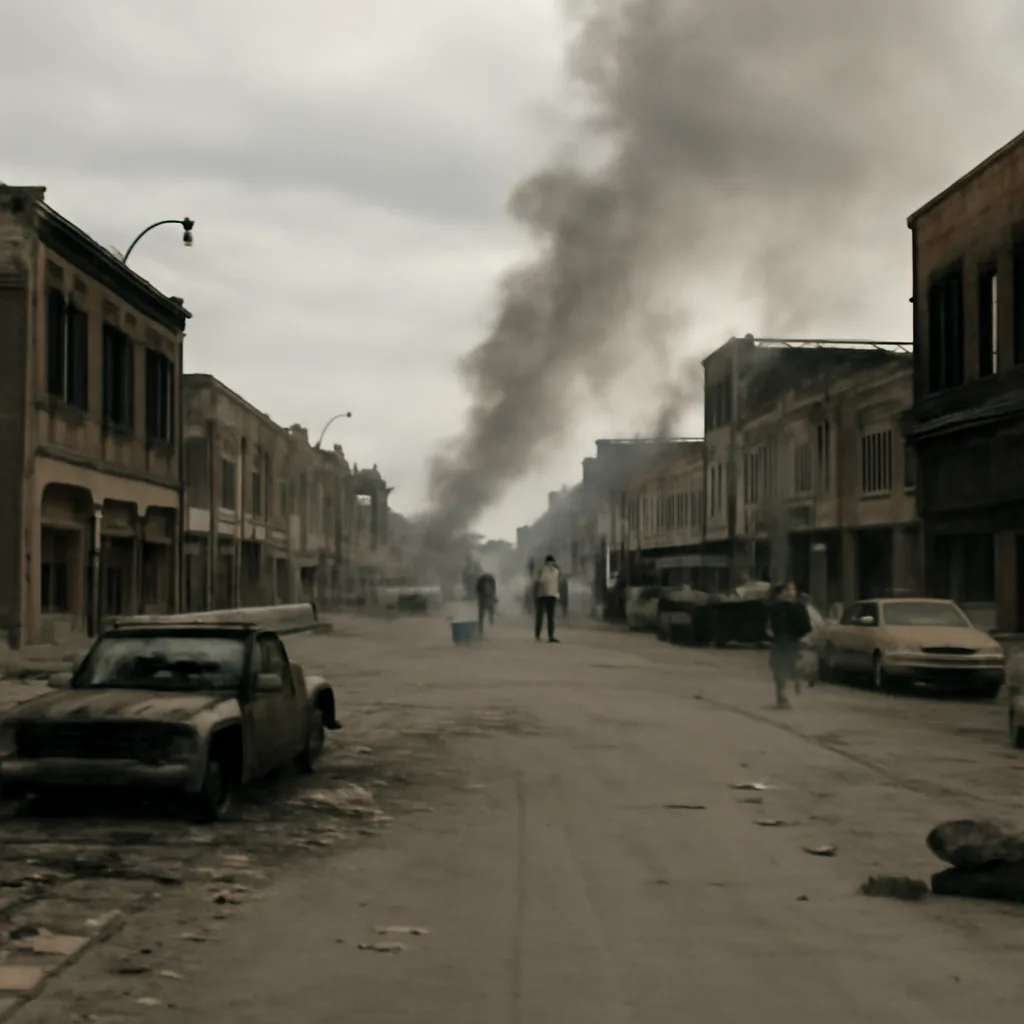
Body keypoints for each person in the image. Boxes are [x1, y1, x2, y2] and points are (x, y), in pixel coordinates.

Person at [766, 580, 812, 709]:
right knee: (780, 669)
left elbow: (806, 627)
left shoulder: (796, 608)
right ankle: (782, 695)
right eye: (788, 589)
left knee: (782, 669)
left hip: (787, 643)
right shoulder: (777, 608)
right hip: (784, 642)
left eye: (793, 589)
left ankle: (783, 696)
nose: (791, 592)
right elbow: (806, 628)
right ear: (782, 592)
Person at [534, 555, 561, 643]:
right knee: (540, 616)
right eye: (549, 562)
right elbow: (539, 582)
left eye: (552, 562)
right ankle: (537, 634)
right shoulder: (542, 571)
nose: (550, 564)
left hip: (552, 596)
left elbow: (556, 584)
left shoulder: (556, 572)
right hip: (542, 596)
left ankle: (551, 636)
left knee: (551, 617)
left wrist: (557, 594)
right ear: (546, 563)